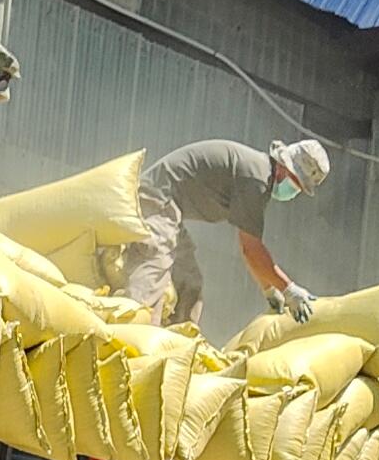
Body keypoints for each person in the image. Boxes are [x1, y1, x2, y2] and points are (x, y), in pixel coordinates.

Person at [126, 135, 332, 328]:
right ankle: (130, 333)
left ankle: (177, 342)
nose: (294, 191)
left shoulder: (259, 175)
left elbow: (251, 251)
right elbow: (251, 249)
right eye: (295, 184)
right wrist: (288, 289)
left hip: (171, 209)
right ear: (283, 168)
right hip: (157, 199)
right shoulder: (256, 178)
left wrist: (269, 289)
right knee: (154, 267)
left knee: (189, 283)